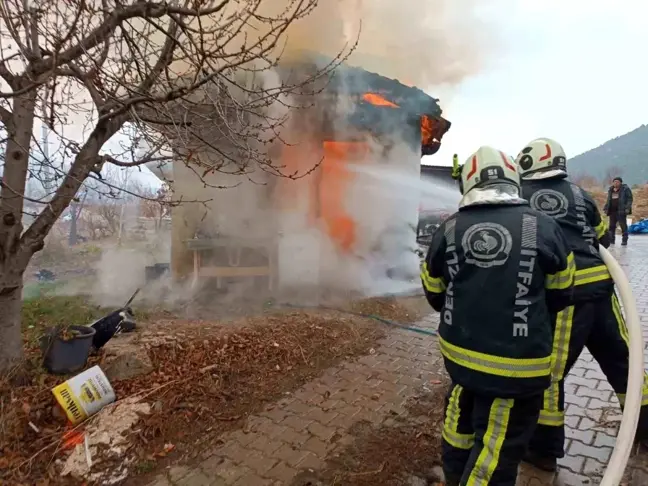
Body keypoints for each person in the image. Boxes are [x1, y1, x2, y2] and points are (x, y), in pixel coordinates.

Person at [422, 146, 575, 486]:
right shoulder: (545, 227)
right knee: (496, 449)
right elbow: (563, 293)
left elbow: (433, 290)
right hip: (518, 367)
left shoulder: (448, 229)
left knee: (459, 423)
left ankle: (453, 477)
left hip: (461, 361)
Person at [515, 138, 648, 472]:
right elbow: (602, 235)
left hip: (566, 296)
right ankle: (645, 426)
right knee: (623, 360)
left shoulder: (522, 197)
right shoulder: (578, 194)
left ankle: (544, 449)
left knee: (551, 373)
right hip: (602, 289)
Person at [603, 176, 633, 246]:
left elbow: (630, 199)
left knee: (623, 226)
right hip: (612, 211)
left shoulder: (625, 189)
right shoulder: (611, 189)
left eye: (617, 182)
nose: (615, 183)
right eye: (614, 182)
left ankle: (624, 240)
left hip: (621, 211)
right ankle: (611, 240)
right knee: (611, 226)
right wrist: (606, 207)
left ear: (620, 183)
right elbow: (608, 200)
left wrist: (627, 208)